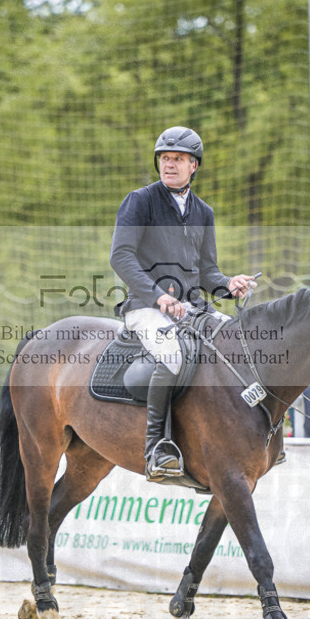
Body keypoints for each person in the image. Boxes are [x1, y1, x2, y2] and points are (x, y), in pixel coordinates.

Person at [110, 125, 255, 480]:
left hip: (192, 309)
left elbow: (208, 272)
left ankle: (251, 439)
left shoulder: (204, 212)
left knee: (243, 345)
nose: (169, 164)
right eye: (164, 158)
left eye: (178, 159)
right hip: (145, 308)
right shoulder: (140, 200)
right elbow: (121, 257)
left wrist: (230, 285)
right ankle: (156, 448)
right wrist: (159, 295)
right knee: (172, 354)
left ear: (194, 166)